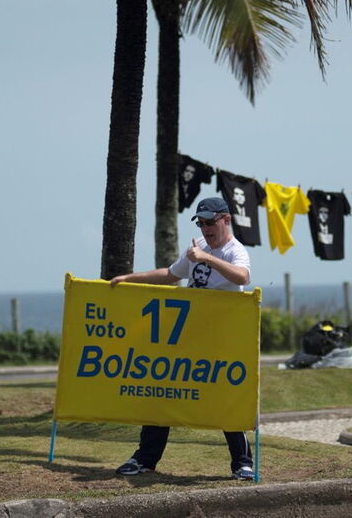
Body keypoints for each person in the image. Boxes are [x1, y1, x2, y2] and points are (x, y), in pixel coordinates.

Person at [108, 196, 255, 481]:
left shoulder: (234, 250)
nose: (205, 228)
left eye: (210, 222)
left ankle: (242, 463)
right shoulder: (196, 248)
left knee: (225, 400)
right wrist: (129, 278)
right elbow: (169, 274)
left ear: (226, 220)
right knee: (160, 391)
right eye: (201, 223)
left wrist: (207, 258)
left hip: (217, 340)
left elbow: (242, 277)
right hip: (186, 336)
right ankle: (145, 459)